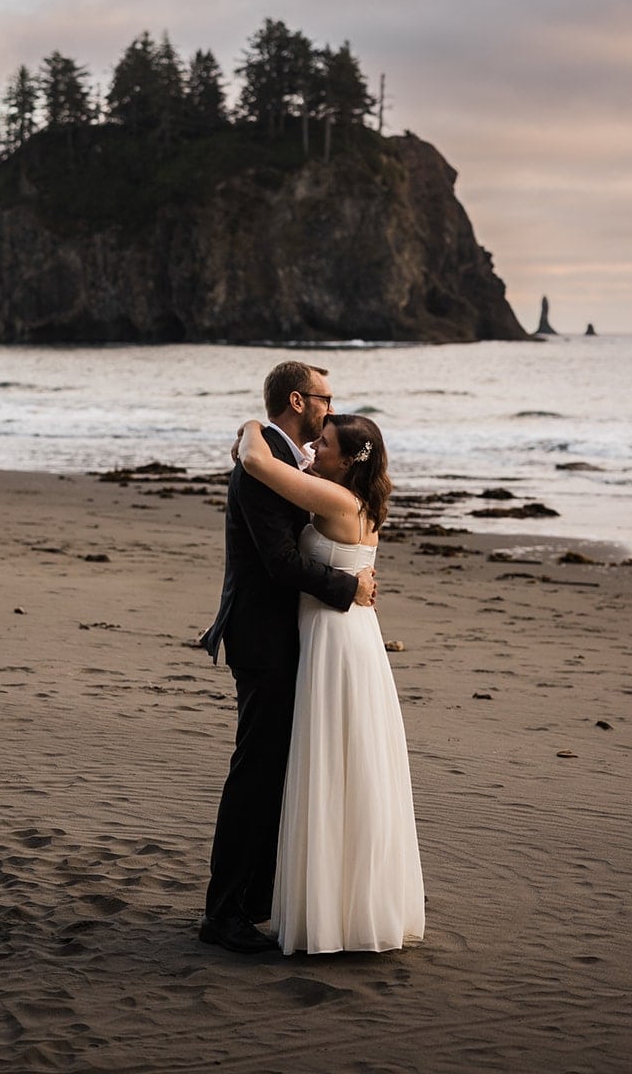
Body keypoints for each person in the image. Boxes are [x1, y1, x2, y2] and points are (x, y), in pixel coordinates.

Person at [199, 361, 377, 955]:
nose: (333, 408)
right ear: (300, 401)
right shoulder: (262, 465)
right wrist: (346, 588)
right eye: (327, 399)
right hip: (264, 639)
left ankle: (251, 904)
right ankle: (222, 914)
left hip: (285, 637)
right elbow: (278, 562)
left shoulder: (277, 456)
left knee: (275, 771)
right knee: (254, 775)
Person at [239, 411, 425, 955]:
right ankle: (345, 909)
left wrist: (253, 423)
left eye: (324, 445)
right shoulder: (360, 502)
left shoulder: (338, 502)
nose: (313, 449)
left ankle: (336, 916)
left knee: (334, 766)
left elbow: (256, 461)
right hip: (349, 633)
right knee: (347, 768)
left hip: (335, 641)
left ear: (347, 461)